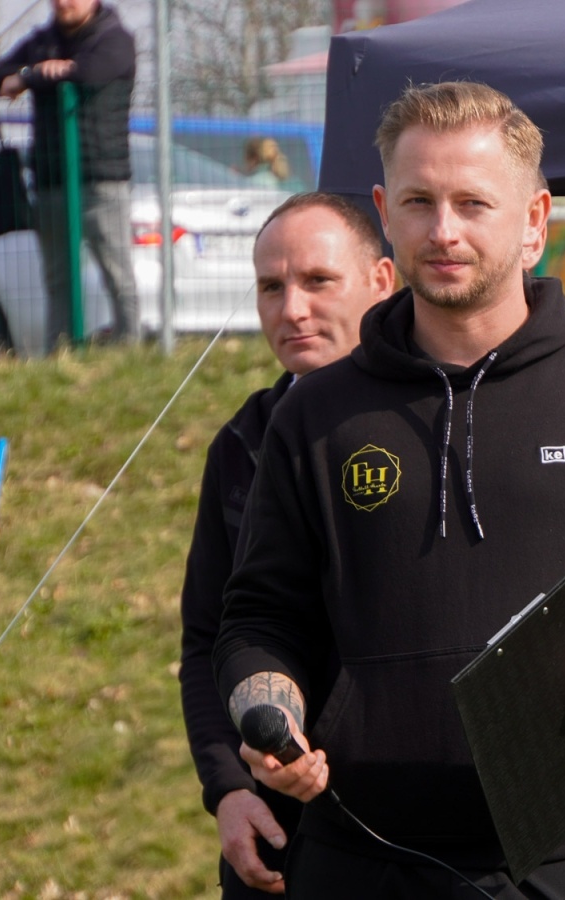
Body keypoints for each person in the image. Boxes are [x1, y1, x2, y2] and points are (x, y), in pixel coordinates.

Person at [214, 81, 565, 898]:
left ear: (535, 220)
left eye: (473, 203)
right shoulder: (315, 416)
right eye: (419, 202)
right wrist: (271, 721)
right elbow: (258, 620)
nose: (444, 231)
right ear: (385, 212)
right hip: (355, 854)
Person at [180, 193, 395, 897]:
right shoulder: (241, 445)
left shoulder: (446, 421)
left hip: (430, 830)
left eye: (317, 281)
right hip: (279, 830)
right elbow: (208, 636)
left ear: (382, 281)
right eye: (271, 287)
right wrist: (227, 788)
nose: (292, 308)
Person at [0, 0, 141, 345]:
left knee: (117, 273)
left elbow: (88, 73)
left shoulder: (115, 38)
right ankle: (60, 353)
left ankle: (130, 347)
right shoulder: (42, 42)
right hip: (52, 179)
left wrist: (30, 76)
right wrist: (33, 72)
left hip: (102, 179)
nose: (64, 3)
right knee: (58, 279)